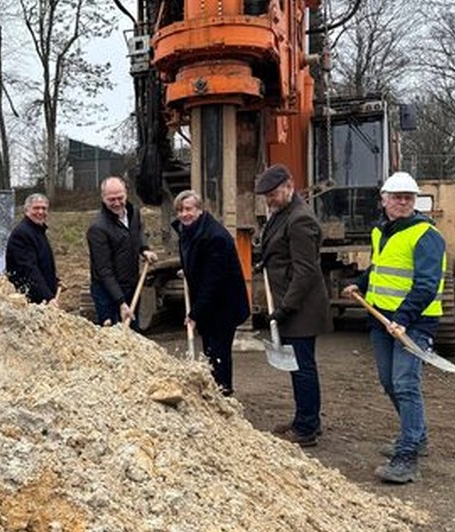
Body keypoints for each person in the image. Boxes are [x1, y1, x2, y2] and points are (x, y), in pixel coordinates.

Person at [342, 171, 446, 484]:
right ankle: (417, 436)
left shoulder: (426, 235)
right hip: (382, 320)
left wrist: (403, 317)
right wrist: (361, 284)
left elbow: (427, 284)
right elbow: (380, 267)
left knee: (405, 384)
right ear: (384, 200)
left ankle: (407, 457)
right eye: (397, 197)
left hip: (414, 322)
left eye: (408, 198)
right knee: (388, 382)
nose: (403, 202)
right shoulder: (382, 231)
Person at [256, 163, 332, 447]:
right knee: (297, 366)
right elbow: (280, 251)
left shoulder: (300, 219)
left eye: (273, 194)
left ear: (289, 186)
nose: (269, 201)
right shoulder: (283, 213)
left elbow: (305, 270)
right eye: (267, 196)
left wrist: (286, 308)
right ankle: (306, 418)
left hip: (302, 308)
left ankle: (306, 429)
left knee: (302, 367)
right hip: (291, 303)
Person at [171, 189, 250, 395]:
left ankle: (223, 393)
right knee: (209, 350)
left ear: (200, 210)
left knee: (218, 352)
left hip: (224, 303)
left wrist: (195, 313)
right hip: (209, 303)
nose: (184, 214)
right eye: (180, 210)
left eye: (188, 209)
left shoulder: (216, 237)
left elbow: (213, 281)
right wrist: (188, 270)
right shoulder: (186, 230)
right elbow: (197, 259)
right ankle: (212, 390)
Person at [86, 176, 158, 326]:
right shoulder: (98, 229)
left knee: (133, 332)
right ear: (103, 198)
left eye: (120, 198)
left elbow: (138, 232)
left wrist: (144, 249)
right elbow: (104, 270)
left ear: (126, 193)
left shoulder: (133, 213)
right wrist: (121, 302)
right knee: (112, 334)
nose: (117, 203)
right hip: (107, 292)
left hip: (130, 285)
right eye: (111, 199)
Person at [6, 193, 59, 305]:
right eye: (36, 208)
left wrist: (55, 281)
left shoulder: (38, 230)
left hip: (40, 296)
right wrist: (48, 297)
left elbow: (42, 262)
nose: (40, 212)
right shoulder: (22, 234)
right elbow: (29, 269)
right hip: (28, 300)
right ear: (26, 210)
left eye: (44, 208)